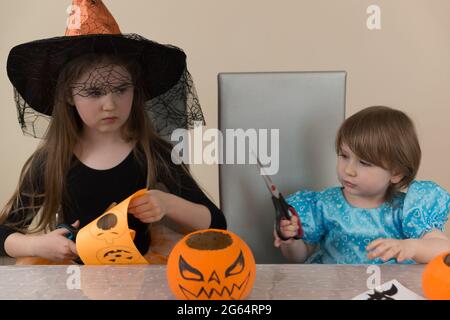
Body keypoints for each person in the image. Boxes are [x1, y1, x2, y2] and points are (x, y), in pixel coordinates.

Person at [0, 0, 226, 263]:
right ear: (69, 95)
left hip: (138, 275)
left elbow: (217, 224)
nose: (110, 105)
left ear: (135, 89)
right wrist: (36, 245)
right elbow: (4, 233)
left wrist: (167, 203)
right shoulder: (52, 160)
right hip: (74, 278)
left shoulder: (153, 154)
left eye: (121, 89)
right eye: (94, 92)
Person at [274, 106, 450, 264]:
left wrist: (412, 247)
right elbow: (300, 257)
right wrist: (290, 242)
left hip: (390, 291)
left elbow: (444, 248)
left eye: (364, 163)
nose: (349, 170)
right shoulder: (324, 204)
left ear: (396, 173)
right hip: (337, 292)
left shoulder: (407, 211)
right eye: (344, 156)